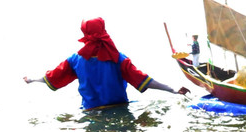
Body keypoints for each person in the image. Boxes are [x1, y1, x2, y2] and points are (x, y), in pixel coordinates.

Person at [23, 17, 185, 110]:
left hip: (90, 113)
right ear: (103, 30)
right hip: (120, 109)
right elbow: (144, 80)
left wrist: (33, 80)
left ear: (84, 33)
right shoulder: (118, 58)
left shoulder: (75, 60)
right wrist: (172, 90)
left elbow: (52, 77)